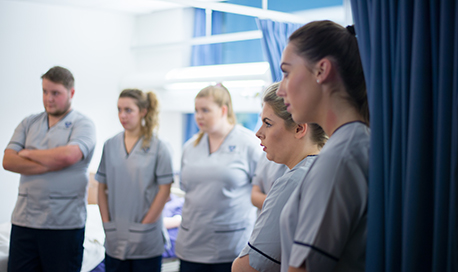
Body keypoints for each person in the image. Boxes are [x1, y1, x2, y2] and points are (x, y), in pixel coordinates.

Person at [276, 21, 370, 272]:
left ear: (322, 70)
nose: (281, 90)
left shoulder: (340, 157)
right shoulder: (354, 142)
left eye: (286, 73)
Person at [3, 66, 96, 272]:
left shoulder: (83, 124)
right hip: (24, 222)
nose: (48, 98)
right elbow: (8, 161)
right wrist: (52, 162)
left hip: (64, 225)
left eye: (55, 93)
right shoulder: (29, 122)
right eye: (45, 91)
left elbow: (69, 156)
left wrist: (28, 153)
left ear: (71, 93)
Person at [232, 82, 327, 272]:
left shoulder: (293, 182)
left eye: (268, 123)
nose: (258, 133)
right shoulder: (325, 169)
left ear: (300, 128)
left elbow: (247, 267)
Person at [175, 84, 262, 272]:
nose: (199, 116)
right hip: (191, 246)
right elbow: (186, 188)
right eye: (196, 110)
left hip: (231, 248)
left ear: (223, 110)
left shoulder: (248, 144)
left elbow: (265, 191)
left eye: (205, 110)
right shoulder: (190, 147)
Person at [96, 89, 173, 272]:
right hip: (115, 235)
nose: (122, 115)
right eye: (119, 109)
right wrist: (106, 223)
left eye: (128, 110)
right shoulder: (110, 144)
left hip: (146, 238)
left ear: (143, 111)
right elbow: (101, 187)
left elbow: (164, 191)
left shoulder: (159, 147)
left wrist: (144, 226)